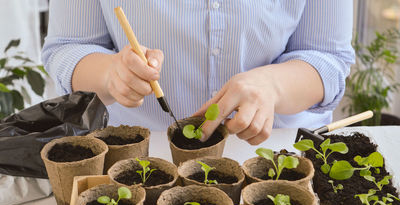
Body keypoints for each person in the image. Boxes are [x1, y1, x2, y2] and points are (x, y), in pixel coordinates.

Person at [42, 0, 354, 145]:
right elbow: (68, 47)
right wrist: (111, 74)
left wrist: (273, 86)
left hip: (276, 149)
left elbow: (328, 58)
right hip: (135, 154)